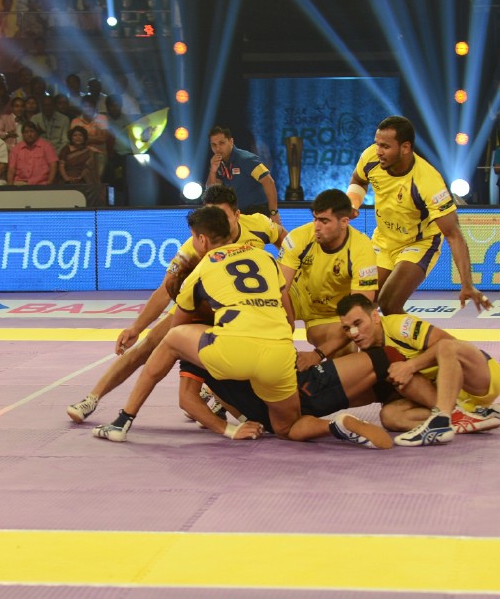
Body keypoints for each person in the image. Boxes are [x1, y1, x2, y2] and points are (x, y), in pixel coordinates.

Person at [92, 206, 388, 447]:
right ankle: (334, 425)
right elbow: (287, 311)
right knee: (287, 427)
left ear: (202, 240)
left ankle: (123, 420)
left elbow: (179, 327)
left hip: (233, 352)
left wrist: (228, 429)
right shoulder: (265, 257)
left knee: (171, 339)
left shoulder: (201, 269)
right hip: (280, 354)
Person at [67, 184, 283, 423]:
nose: (212, 221)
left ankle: (217, 399)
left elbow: (286, 242)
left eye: (220, 215)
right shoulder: (195, 246)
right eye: (208, 214)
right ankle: (92, 398)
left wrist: (288, 273)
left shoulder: (260, 225)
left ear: (236, 214)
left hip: (243, 309)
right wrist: (135, 328)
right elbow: (165, 290)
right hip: (202, 308)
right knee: (151, 345)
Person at [346, 116, 490, 315]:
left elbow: (453, 234)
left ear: (405, 147)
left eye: (385, 146)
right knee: (360, 306)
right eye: (377, 144)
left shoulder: (428, 181)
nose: (378, 151)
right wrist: (353, 203)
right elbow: (358, 179)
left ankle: (426, 344)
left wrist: (467, 284)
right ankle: (381, 346)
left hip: (418, 244)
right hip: (384, 241)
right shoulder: (371, 158)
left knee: (389, 304)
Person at [336, 294, 500, 446]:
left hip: (478, 378)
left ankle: (442, 420)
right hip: (447, 395)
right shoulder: (369, 353)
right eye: (347, 328)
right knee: (390, 416)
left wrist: (410, 366)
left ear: (374, 316)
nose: (354, 333)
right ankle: (467, 415)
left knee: (446, 347)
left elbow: (449, 344)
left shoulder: (399, 325)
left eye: (358, 323)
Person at [177, 350, 406, 447]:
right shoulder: (229, 326)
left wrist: (231, 428)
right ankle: (439, 406)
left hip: (267, 418)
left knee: (287, 429)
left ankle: (335, 425)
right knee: (384, 359)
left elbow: (188, 399)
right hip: (292, 386)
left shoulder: (188, 346)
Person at [278, 188, 378, 365]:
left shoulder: (362, 249)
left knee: (347, 349)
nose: (317, 226)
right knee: (265, 309)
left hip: (330, 315)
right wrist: (288, 326)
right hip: (297, 298)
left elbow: (359, 312)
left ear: (344, 222)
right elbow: (280, 288)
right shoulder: (299, 238)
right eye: (315, 218)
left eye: (324, 221)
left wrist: (317, 354)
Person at [206, 125, 278, 217]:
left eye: (222, 143)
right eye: (214, 145)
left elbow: (269, 182)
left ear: (231, 141)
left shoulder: (246, 159)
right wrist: (212, 171)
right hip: (237, 214)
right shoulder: (217, 163)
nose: (218, 148)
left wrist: (274, 212)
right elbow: (212, 191)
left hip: (257, 213)